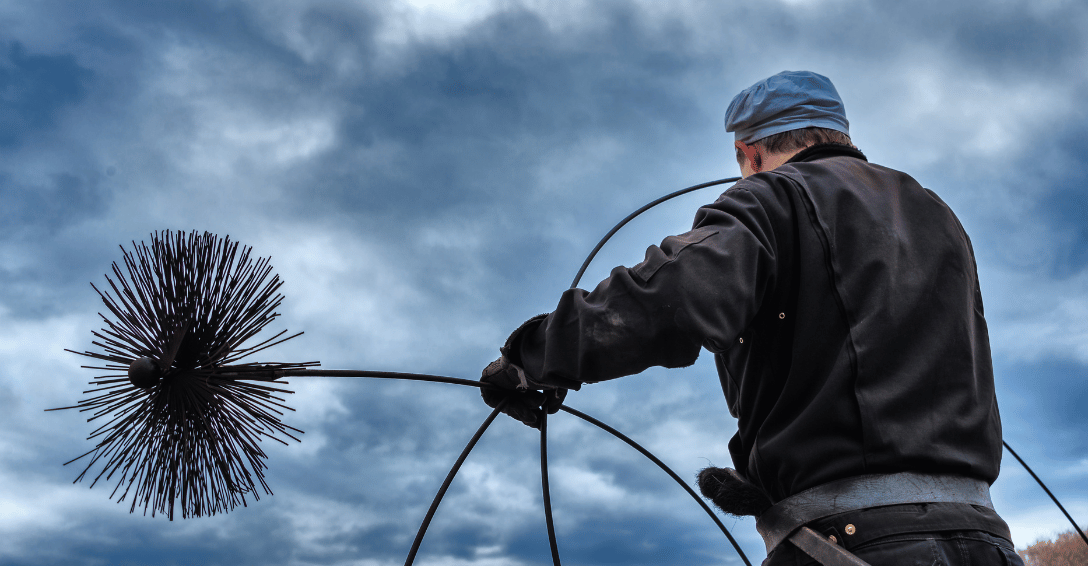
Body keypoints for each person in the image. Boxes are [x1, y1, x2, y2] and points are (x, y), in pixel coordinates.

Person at [480, 70, 1023, 565]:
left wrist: (529, 358)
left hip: (851, 544)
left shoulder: (770, 198)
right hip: (987, 539)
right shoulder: (937, 214)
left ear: (750, 152)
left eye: (740, 164)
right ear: (837, 133)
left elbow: (671, 295)